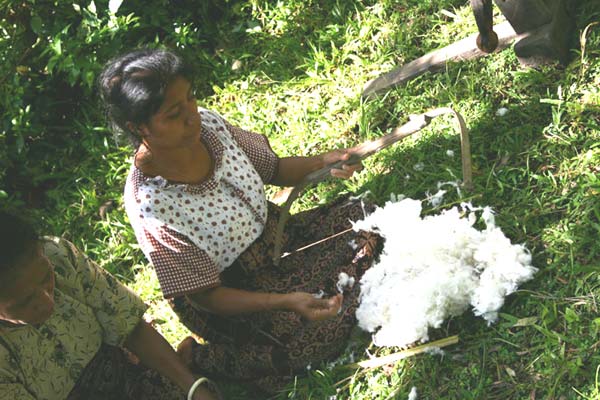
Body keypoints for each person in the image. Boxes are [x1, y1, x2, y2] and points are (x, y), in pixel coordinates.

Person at [99, 48, 383, 393]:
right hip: (236, 291)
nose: (192, 116)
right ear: (138, 127)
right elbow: (207, 297)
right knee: (320, 333)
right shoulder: (151, 203)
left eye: (190, 99)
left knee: (367, 217)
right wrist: (285, 301)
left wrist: (324, 162)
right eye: (174, 114)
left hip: (281, 238)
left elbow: (275, 169)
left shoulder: (212, 128)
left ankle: (317, 294)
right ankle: (205, 357)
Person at [0, 211, 219, 400]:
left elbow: (130, 327)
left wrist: (193, 389)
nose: (48, 302)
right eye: (24, 302)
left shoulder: (59, 257)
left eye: (47, 278)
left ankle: (184, 360)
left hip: (127, 377)